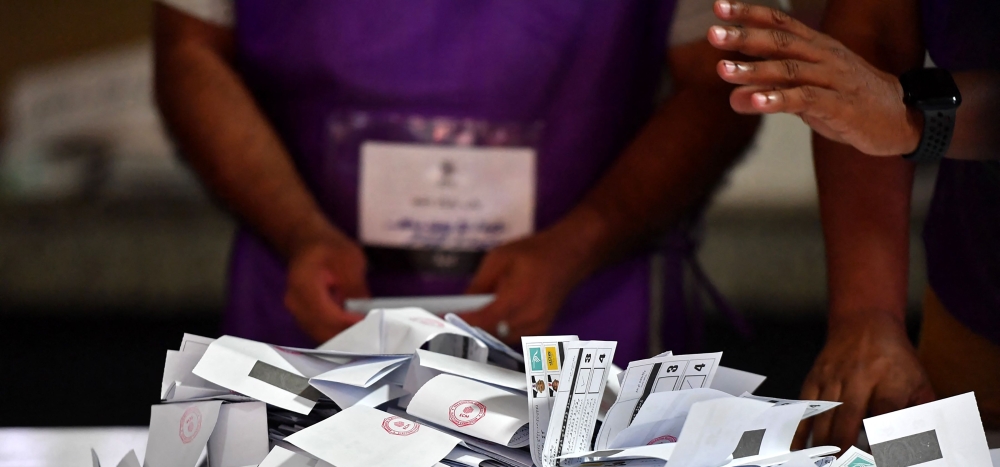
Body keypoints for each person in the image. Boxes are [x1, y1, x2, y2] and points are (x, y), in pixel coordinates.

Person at [153, 0, 764, 364]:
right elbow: (191, 51)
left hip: (586, 315)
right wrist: (296, 231)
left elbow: (722, 76)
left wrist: (580, 242)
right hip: (311, 311)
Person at [708, 0, 1000, 448]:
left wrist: (917, 117)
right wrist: (867, 314)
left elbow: (889, 104)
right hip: (974, 302)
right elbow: (869, 44)